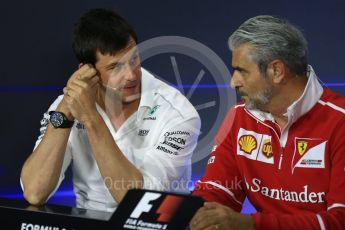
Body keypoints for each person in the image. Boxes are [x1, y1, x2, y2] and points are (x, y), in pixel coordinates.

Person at [20, 8, 200, 212]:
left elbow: (139, 200)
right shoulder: (67, 105)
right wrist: (65, 110)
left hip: (153, 223)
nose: (131, 75)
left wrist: (91, 118)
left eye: (134, 59)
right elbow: (34, 192)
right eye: (115, 67)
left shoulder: (179, 113)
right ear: (87, 72)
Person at [191, 15, 345, 230]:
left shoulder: (340, 122)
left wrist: (251, 224)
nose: (233, 82)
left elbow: (339, 221)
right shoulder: (239, 117)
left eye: (242, 71)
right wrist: (196, 211)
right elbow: (217, 191)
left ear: (276, 71)